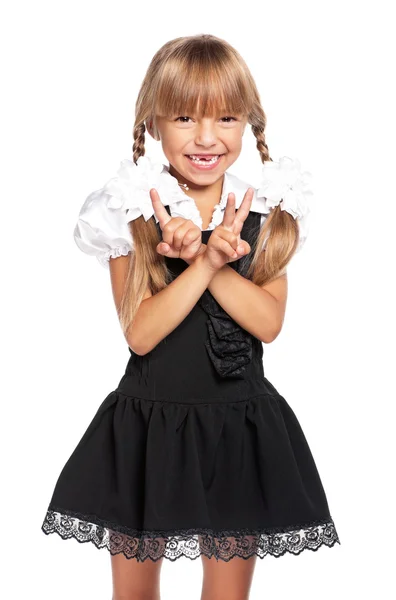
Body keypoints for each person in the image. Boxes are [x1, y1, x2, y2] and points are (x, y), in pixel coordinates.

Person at [41, 33, 340, 600]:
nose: (207, 138)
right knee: (133, 595)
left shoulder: (268, 211)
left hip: (238, 430)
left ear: (248, 122)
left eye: (226, 117)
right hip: (148, 429)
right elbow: (141, 332)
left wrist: (213, 261)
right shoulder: (132, 209)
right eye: (184, 117)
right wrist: (199, 265)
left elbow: (268, 324)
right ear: (153, 123)